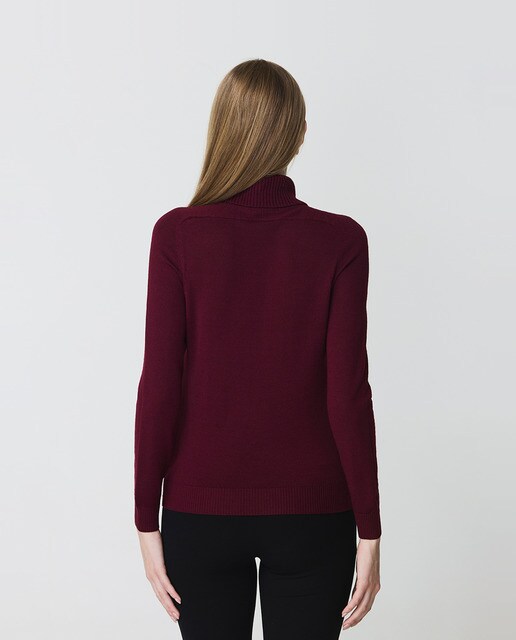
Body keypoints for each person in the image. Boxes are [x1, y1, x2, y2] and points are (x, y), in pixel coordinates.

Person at [134, 58, 382, 639]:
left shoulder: (177, 234)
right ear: (298, 134)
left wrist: (146, 520)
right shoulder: (340, 240)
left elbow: (160, 384)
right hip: (313, 515)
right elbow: (348, 393)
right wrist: (370, 530)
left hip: (199, 512)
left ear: (221, 129)